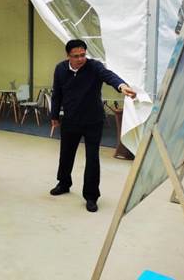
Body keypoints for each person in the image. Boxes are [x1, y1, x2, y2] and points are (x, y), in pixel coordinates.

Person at [50, 39, 137, 213]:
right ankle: (64, 183)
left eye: (83, 55)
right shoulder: (60, 69)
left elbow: (109, 76)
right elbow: (57, 93)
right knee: (66, 154)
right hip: (70, 120)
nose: (80, 59)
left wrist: (121, 86)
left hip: (93, 121)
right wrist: (54, 116)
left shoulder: (94, 67)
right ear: (68, 56)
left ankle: (91, 196)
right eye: (76, 56)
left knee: (92, 158)